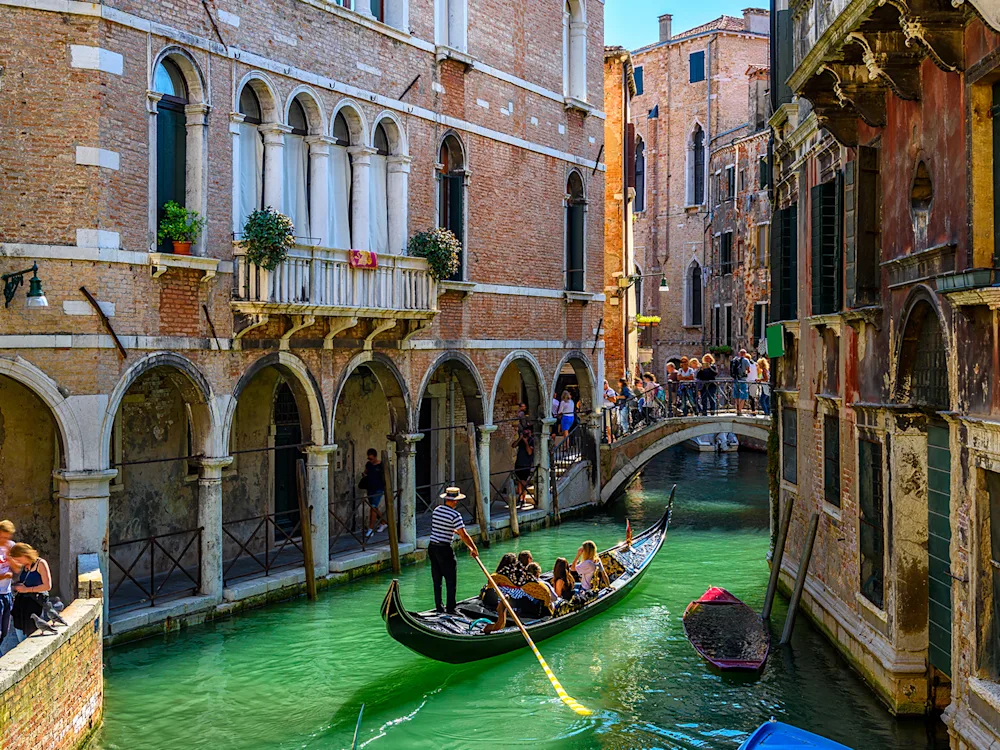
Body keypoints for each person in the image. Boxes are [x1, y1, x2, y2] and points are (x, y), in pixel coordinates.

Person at [428, 487, 479, 614]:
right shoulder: (455, 515)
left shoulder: (437, 510)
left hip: (432, 547)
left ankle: (439, 607)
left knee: (437, 579)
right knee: (451, 580)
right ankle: (451, 609)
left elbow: (442, 527)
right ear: (455, 501)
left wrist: (453, 530)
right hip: (444, 549)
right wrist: (474, 548)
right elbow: (464, 534)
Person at [10, 543, 51, 641]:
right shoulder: (24, 566)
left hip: (34, 604)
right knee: (20, 632)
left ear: (24, 554)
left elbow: (48, 586)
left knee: (32, 632)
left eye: (18, 559)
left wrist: (27, 589)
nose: (18, 562)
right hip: (21, 605)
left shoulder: (40, 563)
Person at [361, 448, 387, 538]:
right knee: (374, 507)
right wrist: (364, 475)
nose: (370, 460)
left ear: (375, 457)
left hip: (378, 489)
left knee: (373, 507)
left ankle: (370, 529)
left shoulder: (381, 465)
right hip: (370, 488)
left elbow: (385, 476)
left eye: (371, 459)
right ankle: (383, 523)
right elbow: (365, 472)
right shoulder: (368, 465)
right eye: (369, 459)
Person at [0, 521, 14, 650]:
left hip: (7, 594)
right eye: (3, 537)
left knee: (4, 632)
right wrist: (4, 576)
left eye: (7, 537)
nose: (5, 540)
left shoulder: (11, 546)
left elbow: (17, 568)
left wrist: (9, 555)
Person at [513, 427, 534, 509]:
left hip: (526, 464)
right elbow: (513, 445)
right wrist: (520, 439)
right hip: (519, 463)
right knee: (519, 481)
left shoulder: (532, 441)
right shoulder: (520, 440)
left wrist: (526, 442)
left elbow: (529, 452)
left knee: (524, 482)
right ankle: (520, 498)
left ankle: (523, 499)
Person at [730, 349, 752, 416]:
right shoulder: (746, 360)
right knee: (743, 395)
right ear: (745, 354)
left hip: (736, 380)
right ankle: (740, 410)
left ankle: (737, 410)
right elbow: (748, 370)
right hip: (742, 380)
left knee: (736, 395)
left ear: (739, 353)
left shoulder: (734, 360)